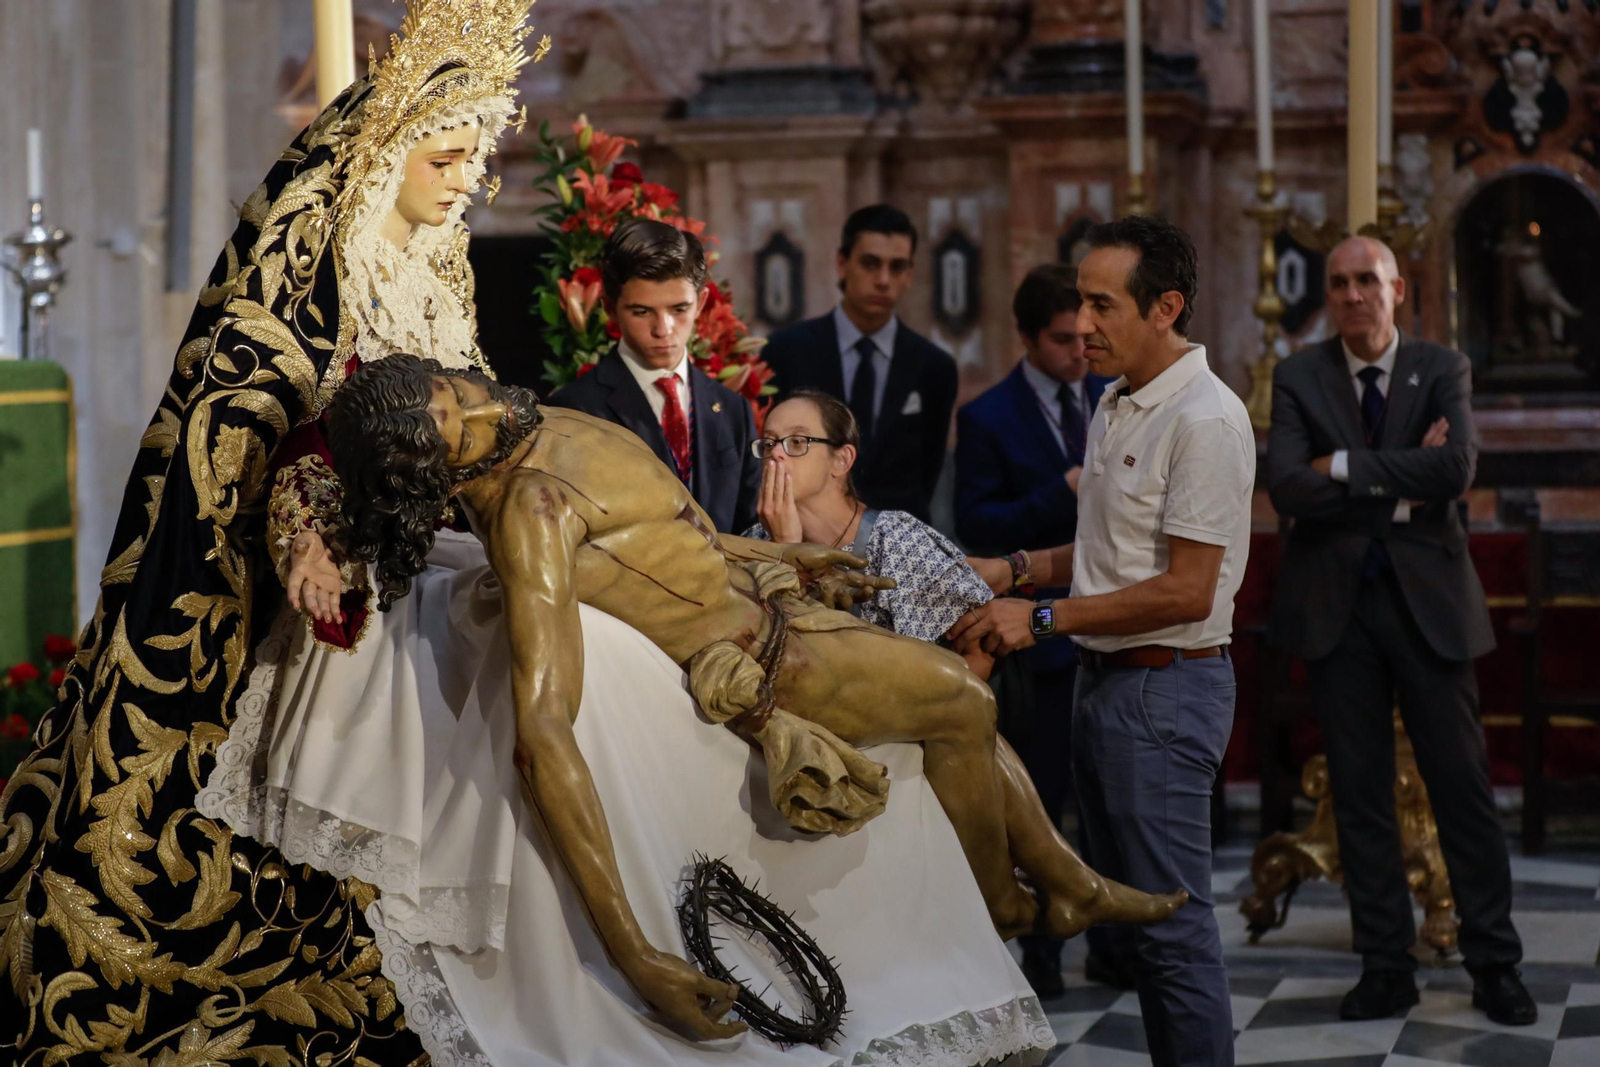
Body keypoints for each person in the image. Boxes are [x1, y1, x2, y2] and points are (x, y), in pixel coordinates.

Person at [318, 352, 1190, 1043]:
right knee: (964, 700)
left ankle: (1066, 882)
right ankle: (1006, 900)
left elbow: (669, 532)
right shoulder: (530, 514)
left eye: (455, 392)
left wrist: (778, 555)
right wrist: (636, 953)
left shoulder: (534, 422)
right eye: (457, 429)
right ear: (435, 471)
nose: (481, 408)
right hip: (765, 659)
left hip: (770, 599)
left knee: (948, 707)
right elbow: (541, 736)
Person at [0, 1, 535, 1059]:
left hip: (445, 558)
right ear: (389, 146)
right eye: (447, 155)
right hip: (336, 581)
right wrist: (306, 535)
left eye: (477, 158)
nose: (466, 180)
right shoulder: (313, 269)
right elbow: (269, 428)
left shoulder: (441, 268)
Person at [950, 216, 1254, 1067]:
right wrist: (1012, 568)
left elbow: (1188, 587)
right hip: (1108, 681)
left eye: (1101, 304)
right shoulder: (1117, 400)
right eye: (1080, 303)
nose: (1082, 323)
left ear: (1166, 307)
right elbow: (1102, 549)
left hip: (1165, 687)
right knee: (1131, 927)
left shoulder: (1204, 418)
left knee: (1172, 927)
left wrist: (1044, 616)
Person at [1266, 236, 1533, 1026]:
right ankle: (1385, 965)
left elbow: (1456, 469)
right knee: (1360, 794)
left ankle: (1494, 962)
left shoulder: (1442, 366)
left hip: (1430, 608)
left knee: (1464, 788)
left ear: (1398, 289)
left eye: (1367, 280)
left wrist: (1342, 467)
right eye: (1338, 282)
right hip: (1337, 608)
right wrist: (1401, 479)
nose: (1353, 295)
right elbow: (1286, 485)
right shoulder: (1299, 374)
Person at [954, 263, 1123, 995]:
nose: (1078, 350)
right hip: (1034, 636)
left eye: (1082, 336)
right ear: (1025, 337)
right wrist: (1062, 490)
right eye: (1060, 339)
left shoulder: (1113, 398)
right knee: (1040, 804)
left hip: (1110, 622)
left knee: (1110, 805)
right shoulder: (988, 416)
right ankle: (1045, 955)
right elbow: (978, 524)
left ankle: (1115, 948)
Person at [744, 389, 994, 675]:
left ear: (842, 460)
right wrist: (784, 548)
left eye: (798, 441)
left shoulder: (896, 540)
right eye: (768, 443)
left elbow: (979, 652)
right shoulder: (753, 543)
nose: (776, 454)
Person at [548, 219, 762, 534]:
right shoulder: (573, 410)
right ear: (610, 308)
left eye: (679, 310)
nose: (663, 330)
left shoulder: (733, 411)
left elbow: (749, 530)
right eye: (642, 312)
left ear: (701, 303)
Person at [760, 204, 958, 522]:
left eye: (897, 267)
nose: (883, 280)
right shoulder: (785, 352)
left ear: (909, 275)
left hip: (899, 534)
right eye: (870, 263)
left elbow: (929, 471)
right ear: (842, 264)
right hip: (807, 531)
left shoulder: (934, 367)